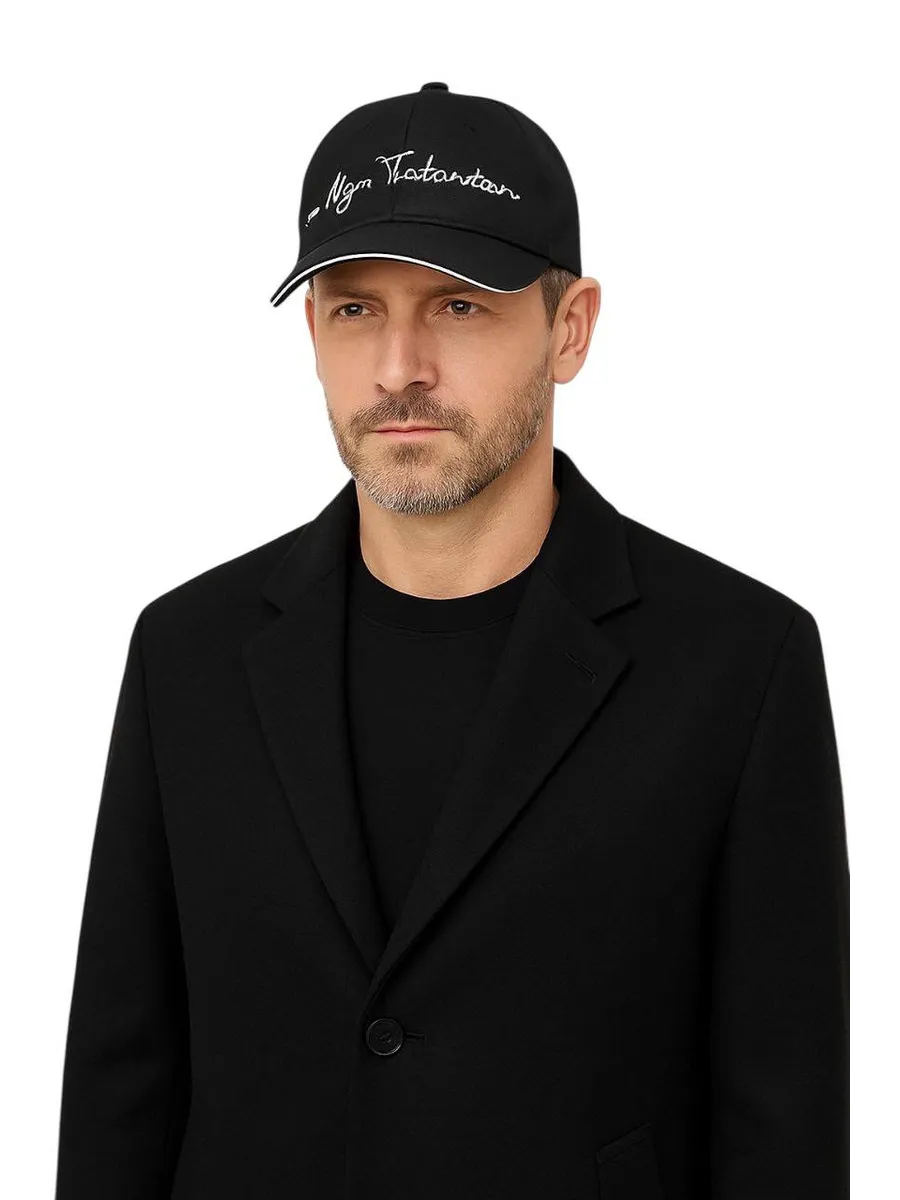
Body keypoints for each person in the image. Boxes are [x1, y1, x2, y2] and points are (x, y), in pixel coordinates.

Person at [54, 83, 852, 1200]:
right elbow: (119, 1094)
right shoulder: (186, 654)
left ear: (570, 328)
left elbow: (788, 1128)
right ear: (313, 333)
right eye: (355, 308)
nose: (399, 367)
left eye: (460, 305)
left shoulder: (740, 664)